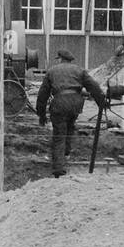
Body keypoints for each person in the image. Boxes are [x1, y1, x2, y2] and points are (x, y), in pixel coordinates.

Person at [35, 48, 109, 178]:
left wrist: (41, 114)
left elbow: (43, 94)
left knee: (59, 134)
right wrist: (101, 103)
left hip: (60, 104)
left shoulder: (52, 71)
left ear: (60, 59)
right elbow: (94, 87)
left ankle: (59, 168)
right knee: (69, 127)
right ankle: (66, 155)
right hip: (76, 104)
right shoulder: (79, 70)